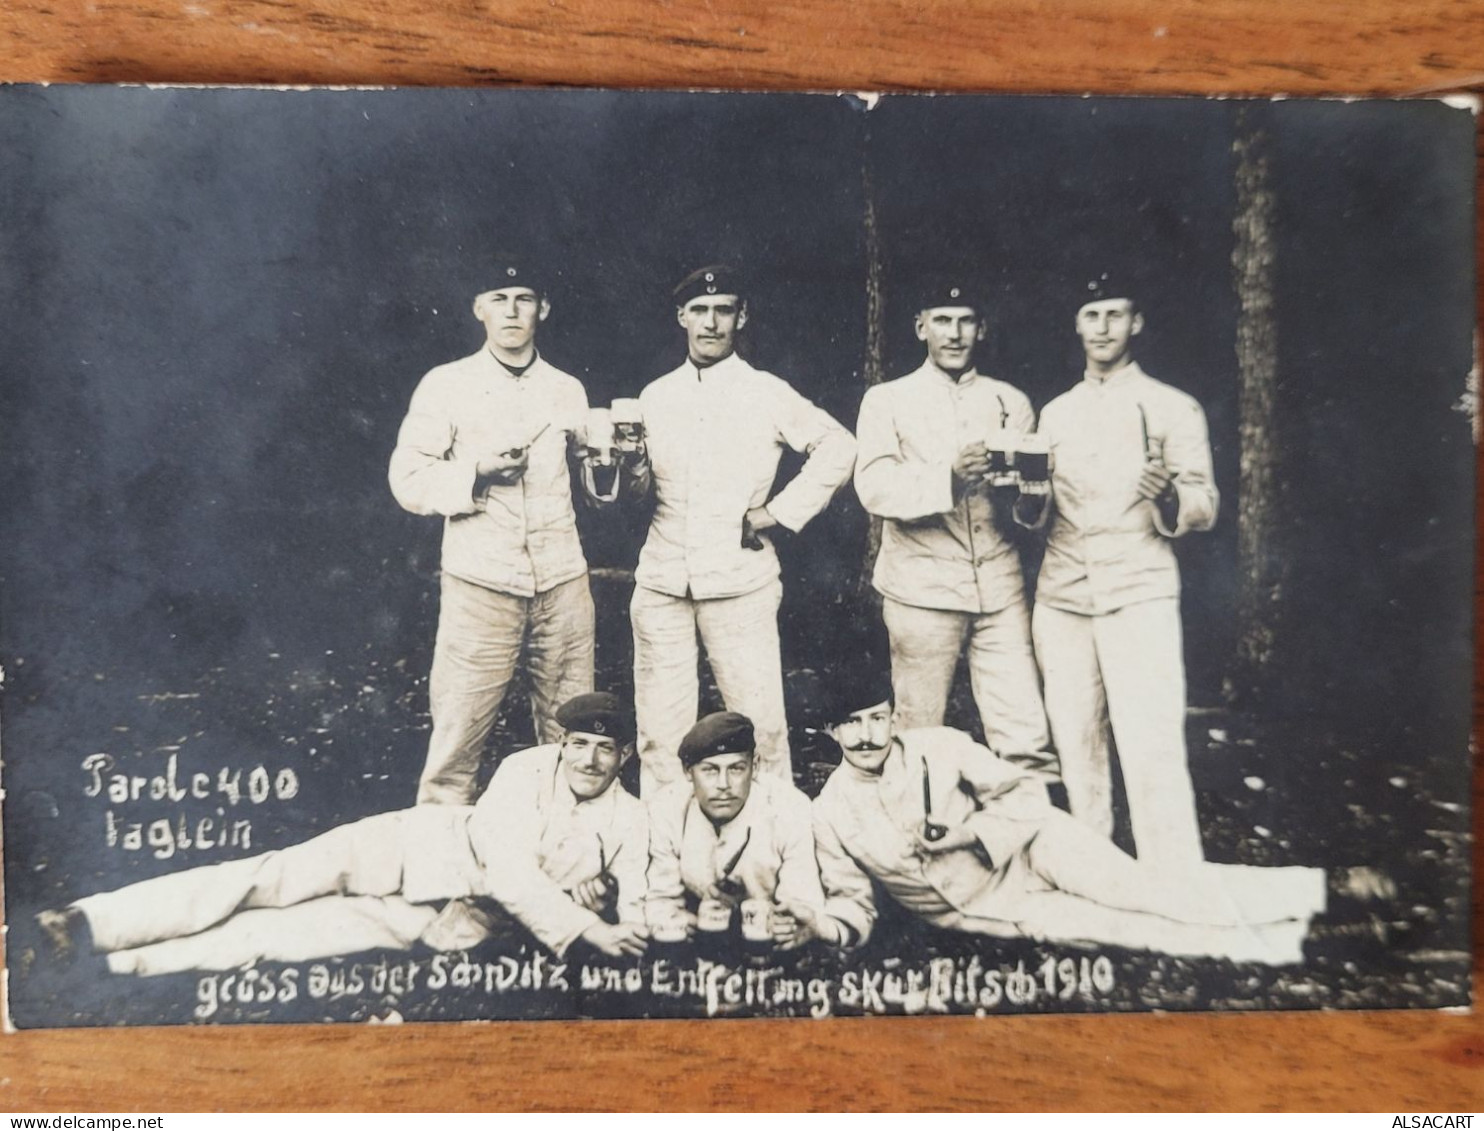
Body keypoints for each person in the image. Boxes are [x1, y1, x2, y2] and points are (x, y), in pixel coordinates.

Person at [32, 694, 650, 975]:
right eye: (579, 745)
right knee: (263, 879)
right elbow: (509, 869)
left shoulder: (632, 817)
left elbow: (646, 890)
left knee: (278, 938)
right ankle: (87, 924)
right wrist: (584, 915)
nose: (589, 761)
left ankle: (116, 968)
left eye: (604, 750)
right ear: (560, 744)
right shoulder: (524, 771)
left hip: (447, 918)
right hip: (410, 846)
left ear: (624, 757)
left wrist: (614, 903)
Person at [810, 669, 1392, 964]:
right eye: (851, 724)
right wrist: (828, 929)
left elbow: (1024, 794)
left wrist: (967, 833)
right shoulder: (830, 812)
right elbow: (850, 900)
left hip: (1036, 847)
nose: (867, 736)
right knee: (1135, 931)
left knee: (1147, 891)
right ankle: (1317, 940)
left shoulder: (940, 746)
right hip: (1001, 909)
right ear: (831, 732)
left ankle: (1328, 889)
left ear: (894, 717)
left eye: (877, 718)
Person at [621, 265, 856, 794]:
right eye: (699, 311)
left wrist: (777, 512)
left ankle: (772, 838)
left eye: (722, 310)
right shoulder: (655, 396)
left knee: (761, 725)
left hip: (739, 580)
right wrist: (630, 473)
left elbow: (839, 446)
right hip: (662, 582)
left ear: (740, 317)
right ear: (681, 317)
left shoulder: (766, 392)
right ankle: (669, 847)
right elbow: (641, 493)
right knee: (661, 732)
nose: (710, 323)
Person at [1026, 270, 1219, 865]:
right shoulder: (1055, 412)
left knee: (1151, 739)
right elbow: (1036, 510)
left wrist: (1168, 498)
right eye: (1091, 315)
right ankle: (1096, 867)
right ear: (1077, 325)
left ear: (1136, 323)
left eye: (1115, 314)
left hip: (1138, 591)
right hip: (1062, 596)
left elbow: (1204, 504)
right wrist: (1027, 498)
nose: (1103, 327)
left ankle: (1173, 873)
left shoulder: (1171, 405)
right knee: (1076, 740)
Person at [389, 257, 596, 805]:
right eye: (498, 299)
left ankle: (567, 867)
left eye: (524, 298)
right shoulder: (447, 384)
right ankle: (444, 875)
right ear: (479, 309)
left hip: (562, 582)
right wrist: (476, 471)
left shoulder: (568, 390)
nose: (511, 310)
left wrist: (610, 461)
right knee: (457, 743)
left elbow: (595, 479)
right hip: (481, 585)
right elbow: (407, 480)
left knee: (574, 740)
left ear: (542, 309)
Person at [854, 275, 1053, 773]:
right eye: (942, 320)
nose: (954, 333)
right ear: (921, 327)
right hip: (921, 588)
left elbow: (1028, 512)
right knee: (919, 733)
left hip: (999, 586)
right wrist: (949, 478)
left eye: (966, 321)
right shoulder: (888, 399)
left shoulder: (1011, 401)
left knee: (1024, 732)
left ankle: (1027, 844)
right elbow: (874, 487)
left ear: (981, 329)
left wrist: (1028, 494)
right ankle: (918, 842)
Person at [645, 711, 839, 950]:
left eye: (736, 768)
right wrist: (676, 921)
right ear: (687, 771)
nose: (724, 785)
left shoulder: (789, 808)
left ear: (754, 766)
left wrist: (792, 924)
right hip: (697, 932)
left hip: (767, 938)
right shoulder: (668, 807)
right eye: (710, 770)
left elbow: (801, 899)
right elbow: (660, 901)